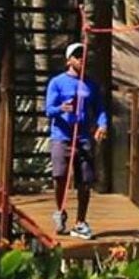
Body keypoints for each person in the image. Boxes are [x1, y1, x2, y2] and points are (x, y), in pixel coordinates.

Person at [45, 41, 109, 240]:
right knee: (60, 176)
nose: (82, 58)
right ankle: (60, 210)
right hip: (61, 137)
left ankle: (80, 221)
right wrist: (61, 109)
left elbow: (100, 109)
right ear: (68, 60)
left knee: (85, 181)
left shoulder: (91, 84)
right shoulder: (57, 82)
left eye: (83, 55)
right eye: (77, 55)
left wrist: (102, 125)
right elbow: (48, 109)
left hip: (83, 138)